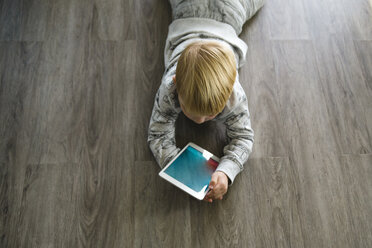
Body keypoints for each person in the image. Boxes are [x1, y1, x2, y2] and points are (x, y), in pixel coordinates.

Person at [147, 0, 265, 203]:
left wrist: (227, 171)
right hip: (197, 9)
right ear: (176, 84)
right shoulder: (170, 88)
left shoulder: (234, 95)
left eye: (211, 114)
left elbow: (243, 137)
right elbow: (157, 135)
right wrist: (183, 170)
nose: (200, 121)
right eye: (188, 110)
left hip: (228, 11)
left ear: (228, 94)